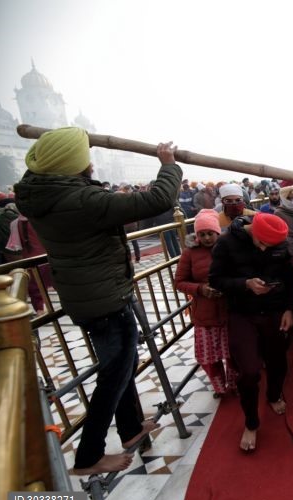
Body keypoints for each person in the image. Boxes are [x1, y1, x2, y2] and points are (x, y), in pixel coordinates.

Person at [14, 127, 180, 475]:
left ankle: (132, 428)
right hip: (105, 300)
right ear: (74, 163)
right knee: (114, 376)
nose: (90, 162)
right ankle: (88, 457)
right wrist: (168, 165)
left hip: (88, 296)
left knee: (122, 365)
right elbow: (156, 201)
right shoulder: (80, 200)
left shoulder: (42, 191)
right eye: (83, 155)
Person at [208, 213, 293, 452]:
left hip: (275, 311)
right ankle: (251, 422)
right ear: (252, 231)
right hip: (242, 313)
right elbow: (215, 280)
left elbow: (290, 280)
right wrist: (245, 284)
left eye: (271, 246)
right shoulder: (226, 243)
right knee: (248, 371)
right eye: (262, 243)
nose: (265, 248)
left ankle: (274, 394)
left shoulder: (279, 244)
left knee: (278, 360)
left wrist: (290, 309)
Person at [175, 209, 236, 397]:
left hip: (229, 311)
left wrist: (228, 285)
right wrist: (201, 289)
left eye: (210, 233)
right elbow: (179, 282)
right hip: (205, 313)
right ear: (197, 235)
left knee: (233, 353)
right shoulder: (190, 253)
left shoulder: (229, 248)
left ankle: (234, 385)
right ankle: (219, 387)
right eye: (202, 234)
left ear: (218, 232)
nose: (207, 238)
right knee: (210, 358)